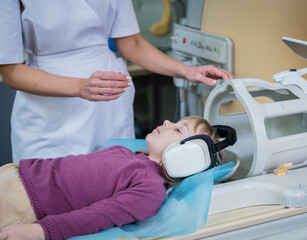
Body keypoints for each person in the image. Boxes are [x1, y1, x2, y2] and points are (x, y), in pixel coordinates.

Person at [0, 1, 234, 163]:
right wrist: (79, 87)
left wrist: (187, 72)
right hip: (50, 102)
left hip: (109, 100)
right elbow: (10, 71)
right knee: (47, 193)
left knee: (114, 182)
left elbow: (131, 42)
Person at [0, 116, 224, 240]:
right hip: (16, 173)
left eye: (177, 130)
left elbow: (97, 217)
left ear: (186, 156)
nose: (167, 122)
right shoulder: (126, 153)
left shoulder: (149, 190)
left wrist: (40, 232)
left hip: (21, 204)